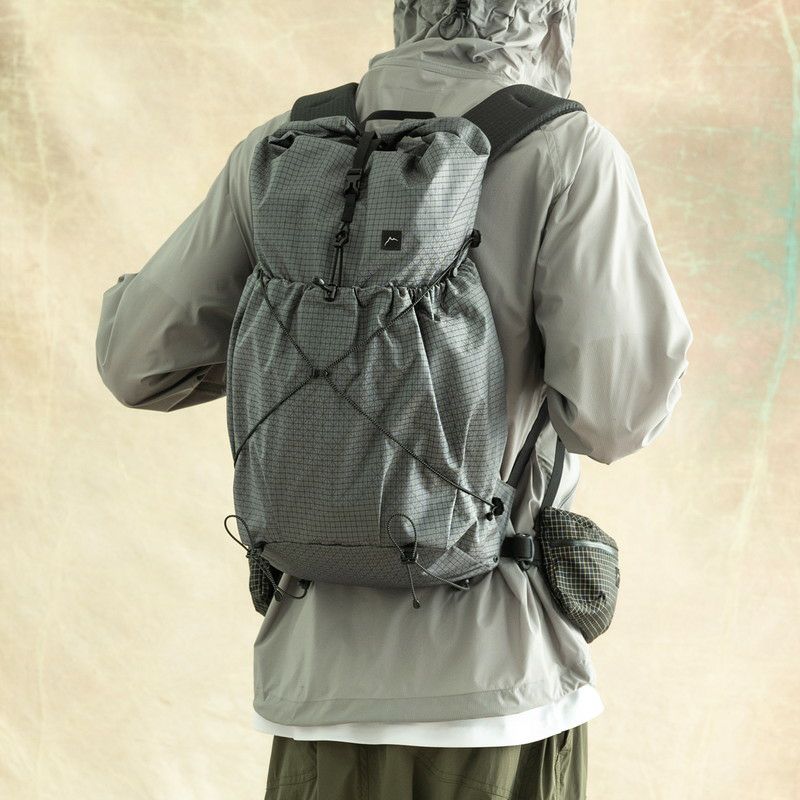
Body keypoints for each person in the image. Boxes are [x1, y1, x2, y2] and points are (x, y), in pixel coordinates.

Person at [95, 1, 693, 797]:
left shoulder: (285, 147)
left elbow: (136, 360)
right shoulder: (568, 152)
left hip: (315, 684)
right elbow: (618, 416)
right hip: (497, 681)